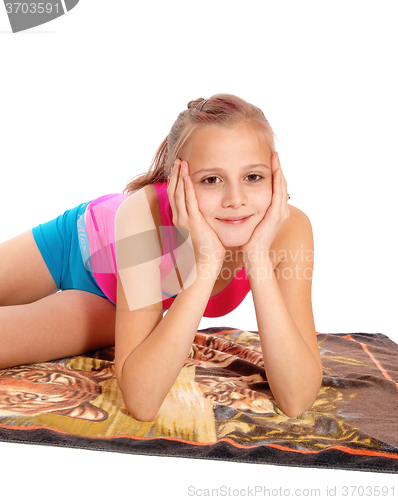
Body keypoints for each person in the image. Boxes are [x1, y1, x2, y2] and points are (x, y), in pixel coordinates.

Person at [0, 94, 322, 421]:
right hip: (72, 243)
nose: (236, 200)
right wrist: (208, 261)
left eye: (253, 177)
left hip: (108, 304)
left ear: (275, 174)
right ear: (177, 181)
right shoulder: (141, 215)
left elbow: (296, 399)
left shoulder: (289, 231)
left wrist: (253, 258)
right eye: (211, 179)